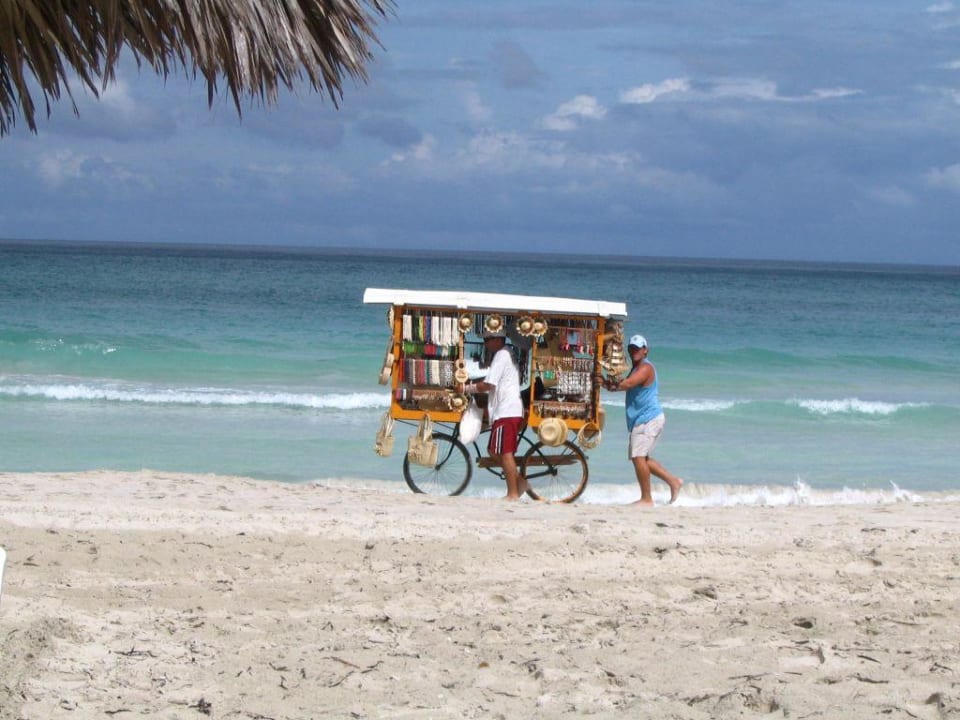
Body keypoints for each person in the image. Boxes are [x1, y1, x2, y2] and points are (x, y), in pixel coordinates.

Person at [604, 334, 683, 506]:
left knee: (638, 457)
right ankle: (673, 482)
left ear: (645, 350)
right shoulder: (636, 368)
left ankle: (647, 499)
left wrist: (606, 384)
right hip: (643, 419)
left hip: (649, 419)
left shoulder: (646, 368)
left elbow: (628, 384)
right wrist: (606, 383)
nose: (634, 351)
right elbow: (624, 383)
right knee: (641, 458)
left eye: (638, 348)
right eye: (631, 348)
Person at [462, 329, 526, 500]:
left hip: (507, 411)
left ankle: (513, 493)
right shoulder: (506, 353)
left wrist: (465, 388)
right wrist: (470, 382)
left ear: (497, 339)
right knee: (493, 450)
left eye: (487, 340)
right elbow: (491, 380)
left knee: (505, 453)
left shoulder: (502, 355)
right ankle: (519, 482)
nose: (486, 344)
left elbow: (489, 384)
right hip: (506, 410)